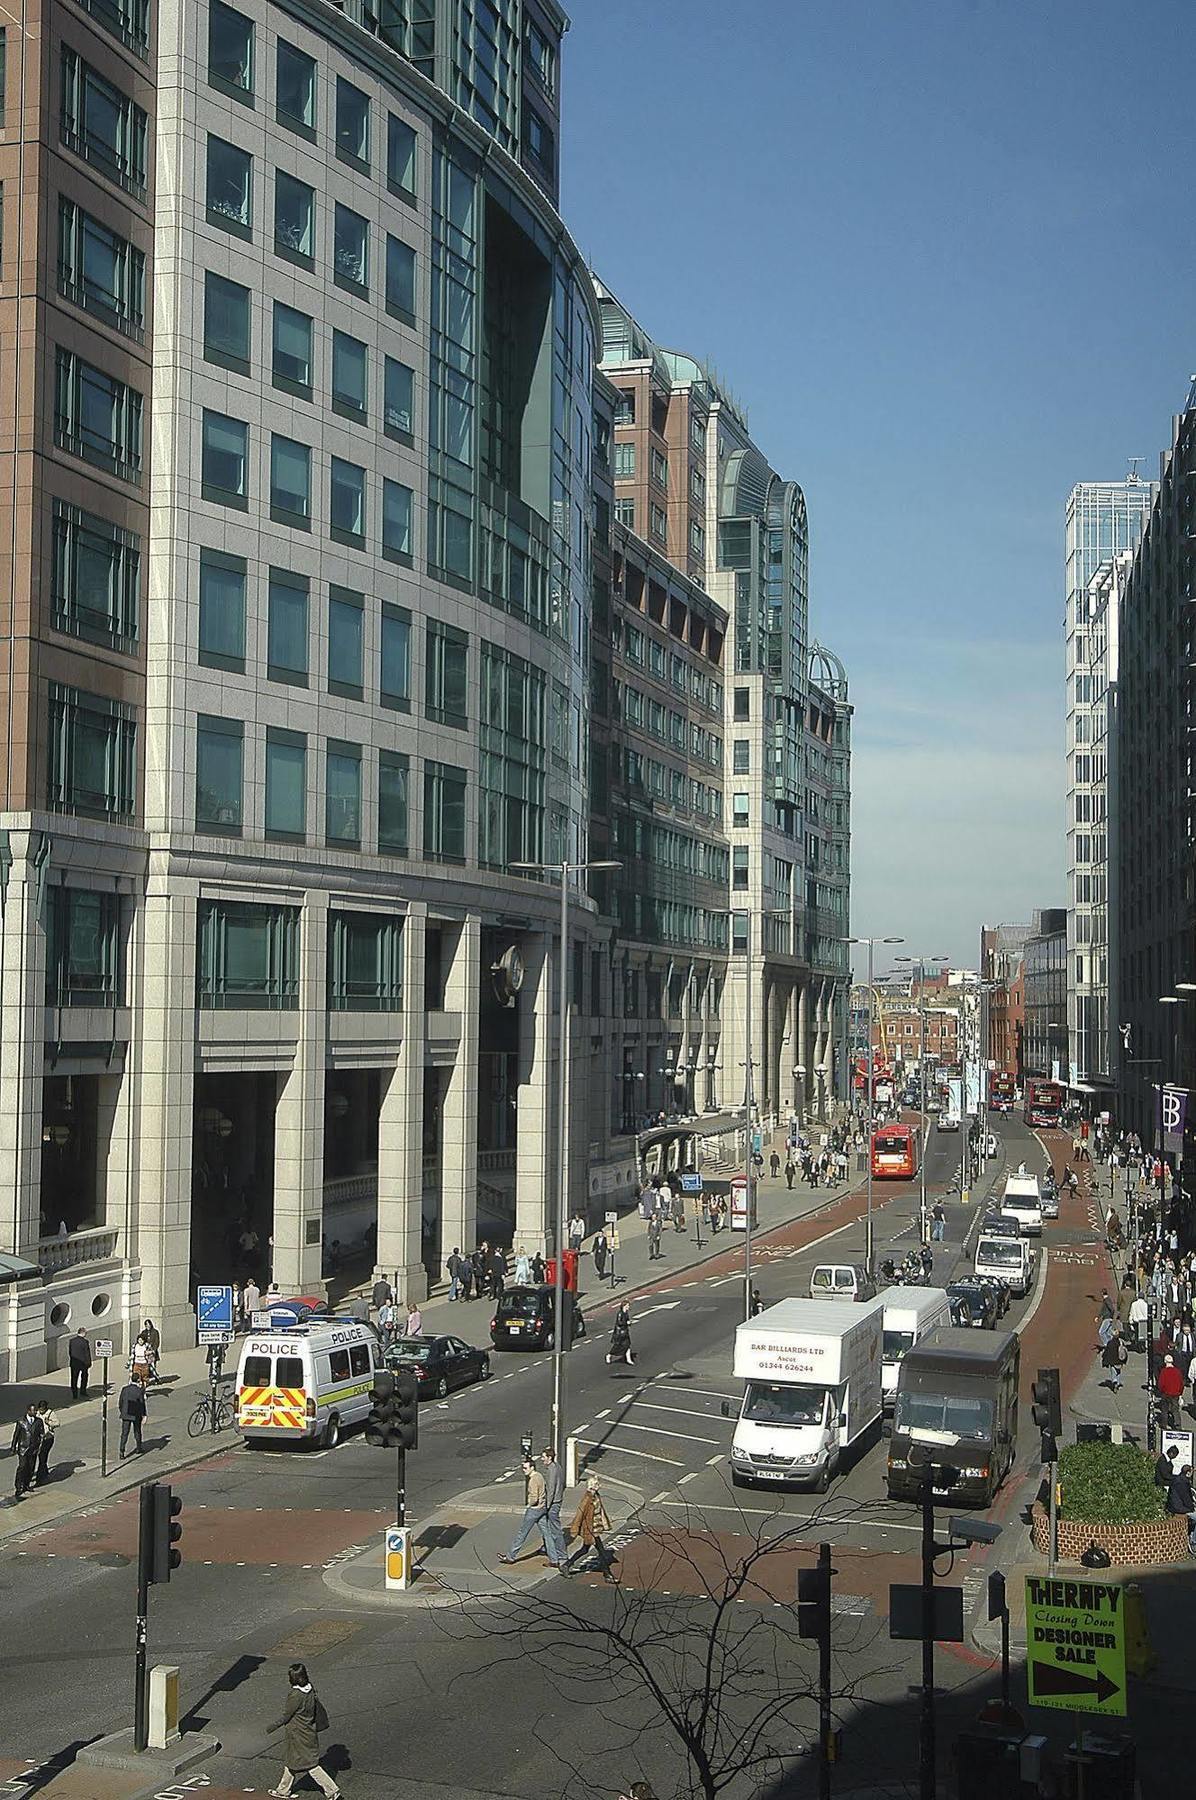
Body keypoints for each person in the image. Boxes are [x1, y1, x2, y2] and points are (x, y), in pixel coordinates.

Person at [267, 1661, 342, 1799]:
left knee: (310, 1765)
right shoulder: (310, 1689)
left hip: (297, 1734)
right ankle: (283, 1790)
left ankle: (332, 1790)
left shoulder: (295, 1695)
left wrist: (271, 1727)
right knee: (292, 1762)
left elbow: (287, 1715)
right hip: (308, 1731)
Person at [498, 1456, 561, 1568]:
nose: (524, 1470)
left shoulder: (532, 1480)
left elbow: (534, 1498)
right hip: (542, 1509)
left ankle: (510, 1556)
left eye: (526, 1468)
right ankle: (554, 1559)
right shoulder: (540, 1476)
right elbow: (545, 1491)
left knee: (522, 1534)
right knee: (547, 1534)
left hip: (534, 1510)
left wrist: (529, 1504)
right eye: (523, 1468)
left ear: (532, 1467)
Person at [567, 1474, 612, 1575]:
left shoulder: (595, 1496)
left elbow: (601, 1511)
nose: (598, 1485)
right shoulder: (587, 1498)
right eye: (596, 1484)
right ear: (591, 1485)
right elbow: (580, 1514)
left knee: (585, 1549)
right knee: (601, 1551)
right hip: (591, 1529)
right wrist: (574, 1529)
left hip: (595, 1528)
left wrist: (605, 1524)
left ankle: (566, 1565)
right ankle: (607, 1574)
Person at [539, 1449, 569, 1568]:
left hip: (553, 1503)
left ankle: (562, 1555)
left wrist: (546, 1505)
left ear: (549, 1458)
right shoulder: (558, 1467)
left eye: (543, 1457)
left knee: (555, 1530)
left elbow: (551, 1489)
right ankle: (546, 1547)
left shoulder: (551, 1470)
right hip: (558, 1500)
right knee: (550, 1527)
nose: (542, 1459)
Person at [10, 1403, 44, 1502]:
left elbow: (41, 1434)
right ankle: (18, 1486)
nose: (35, 1412)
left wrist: (39, 1445)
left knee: (31, 1467)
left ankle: (26, 1485)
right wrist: (13, 1447)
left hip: (33, 1449)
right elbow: (16, 1435)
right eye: (33, 1411)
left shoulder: (38, 1421)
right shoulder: (21, 1421)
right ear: (28, 1411)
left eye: (35, 1410)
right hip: (23, 1449)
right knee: (22, 1467)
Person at [118, 1377, 147, 1457]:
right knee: (137, 1431)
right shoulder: (139, 1390)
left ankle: (121, 1451)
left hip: (126, 1414)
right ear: (138, 1380)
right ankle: (138, 1448)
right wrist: (144, 1414)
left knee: (124, 1433)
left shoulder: (124, 1389)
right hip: (136, 1414)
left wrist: (122, 1411)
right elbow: (142, 1404)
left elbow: (120, 1402)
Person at [1158, 1353, 1185, 1429]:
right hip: (1175, 1394)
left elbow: (1161, 1384)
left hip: (1166, 1393)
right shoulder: (1177, 1371)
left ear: (1165, 1362)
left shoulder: (1164, 1371)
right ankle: (1178, 1425)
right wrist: (1180, 1393)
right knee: (1175, 1410)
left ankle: (1164, 1424)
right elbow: (1181, 1384)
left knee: (1165, 1410)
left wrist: (1161, 1391)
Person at [33, 1403, 56, 1486]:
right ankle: (45, 1472)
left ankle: (40, 1478)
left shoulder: (50, 1413)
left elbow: (57, 1423)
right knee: (42, 1456)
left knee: (42, 1456)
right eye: (40, 1409)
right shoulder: (37, 1414)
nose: (41, 1411)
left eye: (43, 1409)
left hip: (48, 1438)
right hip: (39, 1438)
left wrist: (49, 1422)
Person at [67, 1327, 92, 1398]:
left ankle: (74, 1393)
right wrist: (89, 1363)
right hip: (83, 1363)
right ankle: (82, 1391)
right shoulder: (85, 1342)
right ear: (83, 1333)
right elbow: (87, 1353)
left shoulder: (72, 1341)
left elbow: (70, 1352)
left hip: (74, 1362)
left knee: (74, 1378)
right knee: (84, 1377)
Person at [608, 1302, 634, 1367]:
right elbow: (619, 1322)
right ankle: (609, 1355)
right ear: (624, 1306)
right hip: (619, 1333)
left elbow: (627, 1321)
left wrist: (629, 1322)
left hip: (625, 1332)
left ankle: (629, 1360)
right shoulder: (620, 1313)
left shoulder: (626, 1313)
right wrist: (626, 1322)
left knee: (628, 1345)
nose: (628, 1307)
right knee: (617, 1346)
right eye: (627, 1305)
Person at [1101, 1327, 1125, 1392]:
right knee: (1118, 1372)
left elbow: (1106, 1352)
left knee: (1113, 1371)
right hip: (1119, 1360)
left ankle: (1114, 1381)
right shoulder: (1121, 1342)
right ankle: (1118, 1382)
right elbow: (1124, 1351)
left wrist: (1104, 1359)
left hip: (1112, 1361)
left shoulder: (1110, 1343)